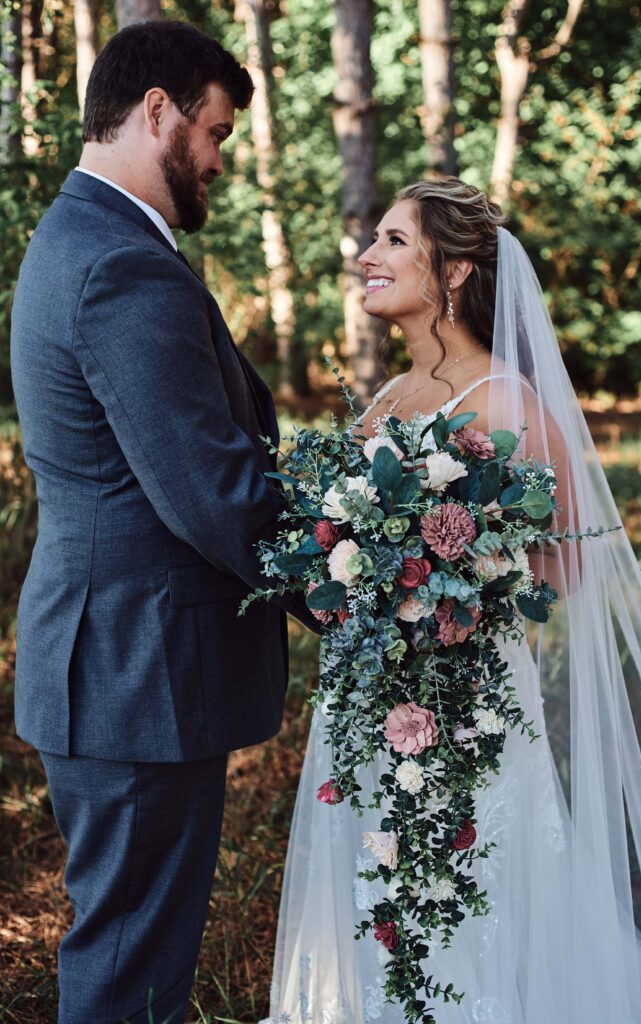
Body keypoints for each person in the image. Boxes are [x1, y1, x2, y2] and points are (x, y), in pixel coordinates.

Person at [265, 179, 641, 1023]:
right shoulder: (382, 401)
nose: (366, 257)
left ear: (451, 272)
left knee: (468, 888)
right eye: (372, 239)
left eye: (390, 241)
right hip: (363, 691)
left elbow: (566, 564)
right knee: (372, 873)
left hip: (467, 704)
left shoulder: (504, 400)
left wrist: (470, 580)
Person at [10, 20, 318, 1024]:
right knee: (131, 971)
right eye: (215, 132)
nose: (219, 160)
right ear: (157, 112)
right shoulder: (115, 263)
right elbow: (208, 487)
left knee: (130, 950)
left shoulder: (88, 238)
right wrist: (359, 590)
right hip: (135, 672)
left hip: (123, 667)